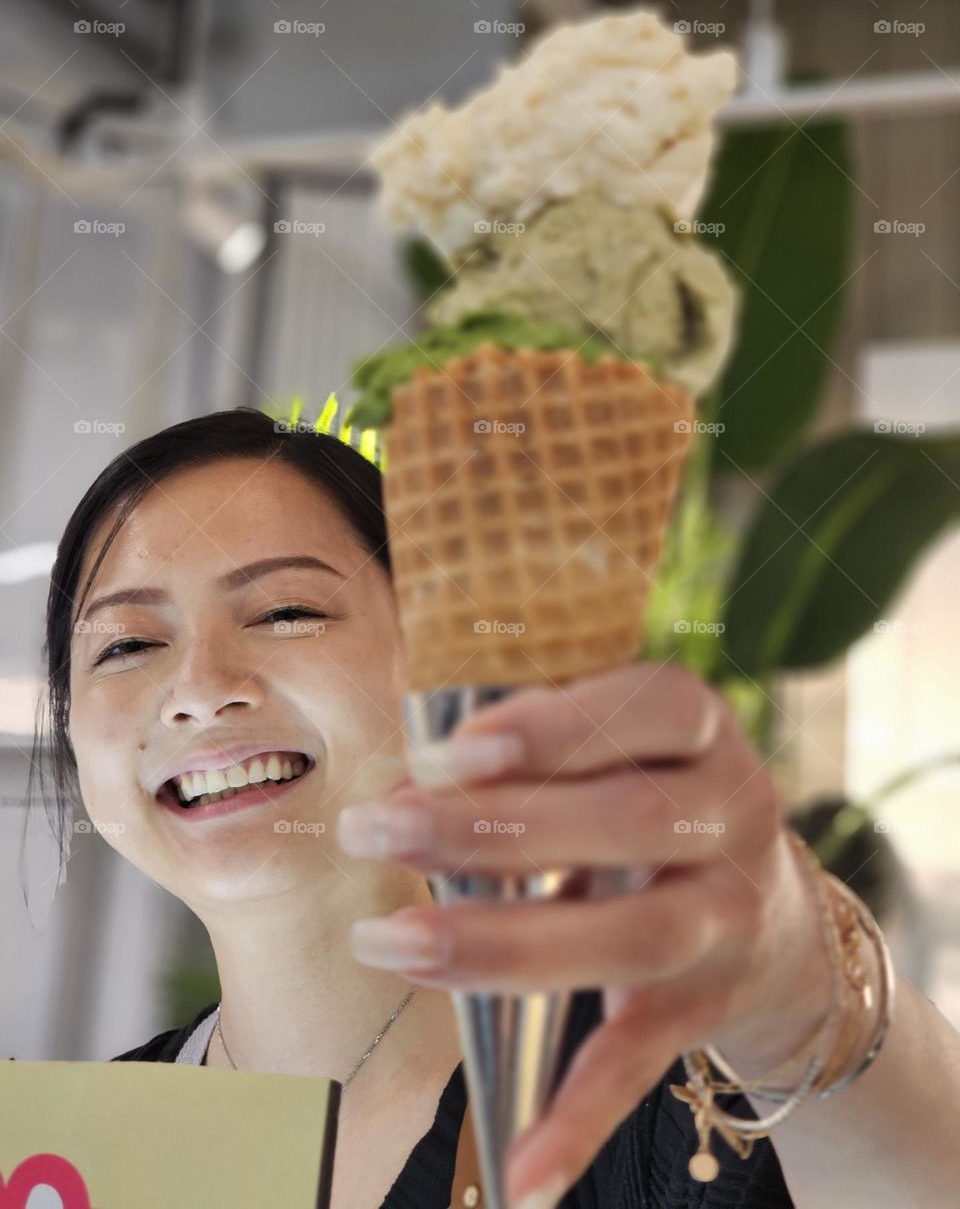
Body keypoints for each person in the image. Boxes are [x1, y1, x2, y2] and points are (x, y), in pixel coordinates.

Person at [30, 406, 960, 1209]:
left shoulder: (652, 1106)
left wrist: (800, 988)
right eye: (127, 644)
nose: (199, 689)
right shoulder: (65, 1155)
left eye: (284, 613)